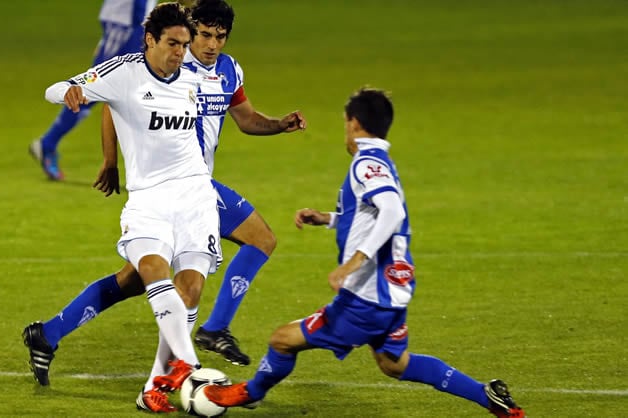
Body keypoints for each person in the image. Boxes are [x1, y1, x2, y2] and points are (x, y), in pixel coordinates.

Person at [23, 0, 306, 412]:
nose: (207, 44)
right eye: (201, 35)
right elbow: (114, 102)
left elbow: (244, 117)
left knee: (137, 280)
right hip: (166, 188)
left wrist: (279, 124)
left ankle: (49, 334)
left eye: (217, 37)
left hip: (193, 187)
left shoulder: (226, 71)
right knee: (250, 243)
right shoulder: (163, 66)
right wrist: (109, 160)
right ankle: (205, 340)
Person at [203, 87, 526, 418]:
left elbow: (391, 212)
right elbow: (371, 213)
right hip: (394, 290)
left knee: (282, 340)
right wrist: (328, 219)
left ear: (354, 123)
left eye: (346, 123)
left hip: (366, 298)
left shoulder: (366, 164)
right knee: (394, 363)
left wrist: (352, 264)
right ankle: (488, 396)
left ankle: (248, 393)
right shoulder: (382, 161)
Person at [24, 2, 221, 413]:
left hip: (195, 197)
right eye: (172, 44)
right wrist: (72, 92)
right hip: (148, 199)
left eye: (185, 45)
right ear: (149, 40)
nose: (180, 53)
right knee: (151, 272)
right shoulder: (123, 71)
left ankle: (154, 388)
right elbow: (56, 89)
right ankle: (188, 367)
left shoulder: (194, 75)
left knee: (190, 290)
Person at [28, 0, 157, 180]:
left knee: (132, 90)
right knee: (94, 89)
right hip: (127, 24)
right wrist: (141, 26)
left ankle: (48, 143)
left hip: (131, 23)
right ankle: (48, 144)